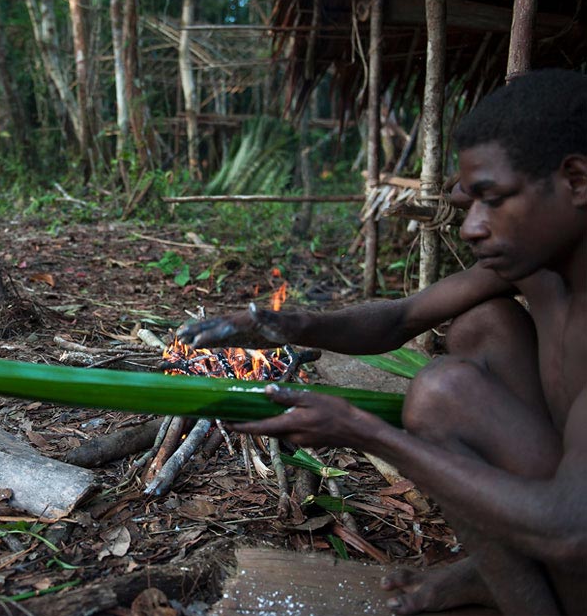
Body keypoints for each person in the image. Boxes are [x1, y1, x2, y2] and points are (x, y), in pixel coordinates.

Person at [177, 69, 587, 615]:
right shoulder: (540, 264)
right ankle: (498, 578)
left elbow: (571, 531)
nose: (470, 228)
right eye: (470, 204)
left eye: (493, 199)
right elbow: (400, 319)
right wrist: (286, 323)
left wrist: (364, 431)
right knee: (481, 325)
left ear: (577, 181)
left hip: (572, 526)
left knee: (441, 394)